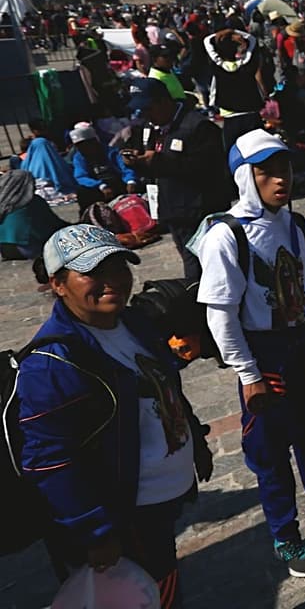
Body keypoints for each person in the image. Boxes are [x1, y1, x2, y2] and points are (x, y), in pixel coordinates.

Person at [195, 130, 305, 578]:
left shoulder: (296, 224)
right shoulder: (227, 236)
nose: (281, 179)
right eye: (267, 171)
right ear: (245, 177)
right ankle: (285, 535)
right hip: (266, 353)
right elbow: (221, 315)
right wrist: (248, 374)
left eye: (285, 168)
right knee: (271, 447)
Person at [19, 225, 213, 608]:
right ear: (59, 284)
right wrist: (96, 532)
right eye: (93, 272)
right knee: (153, 595)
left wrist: (195, 443)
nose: (112, 282)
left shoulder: (131, 323)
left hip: (161, 499)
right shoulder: (52, 365)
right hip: (127, 519)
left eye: (118, 267)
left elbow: (161, 387)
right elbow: (49, 461)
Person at [122, 79, 232, 283]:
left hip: (199, 211)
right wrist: (134, 160)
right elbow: (139, 150)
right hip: (172, 210)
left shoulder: (198, 127)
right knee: (190, 260)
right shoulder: (149, 127)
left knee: (203, 269)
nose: (145, 115)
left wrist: (162, 162)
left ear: (164, 102)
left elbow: (210, 168)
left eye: (148, 108)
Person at [203, 26, 265, 151]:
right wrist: (234, 33)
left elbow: (207, 41)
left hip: (229, 116)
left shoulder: (218, 66)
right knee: (256, 150)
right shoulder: (248, 65)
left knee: (233, 153)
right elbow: (252, 40)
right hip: (251, 113)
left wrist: (223, 34)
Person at [69, 122, 138, 209]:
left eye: (86, 144)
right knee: (83, 192)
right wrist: (101, 186)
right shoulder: (79, 157)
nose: (83, 148)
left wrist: (130, 181)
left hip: (117, 183)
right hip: (97, 186)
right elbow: (81, 176)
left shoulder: (112, 152)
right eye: (79, 146)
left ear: (94, 141)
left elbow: (126, 168)